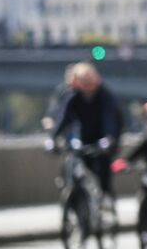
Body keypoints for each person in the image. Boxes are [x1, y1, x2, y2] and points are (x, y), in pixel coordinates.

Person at [48, 62, 122, 197]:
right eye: (83, 81)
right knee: (78, 163)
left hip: (104, 137)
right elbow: (63, 119)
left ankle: (106, 197)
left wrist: (108, 139)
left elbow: (109, 119)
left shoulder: (106, 97)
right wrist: (52, 138)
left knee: (103, 167)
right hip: (84, 136)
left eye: (90, 80)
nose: (87, 85)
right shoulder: (73, 97)